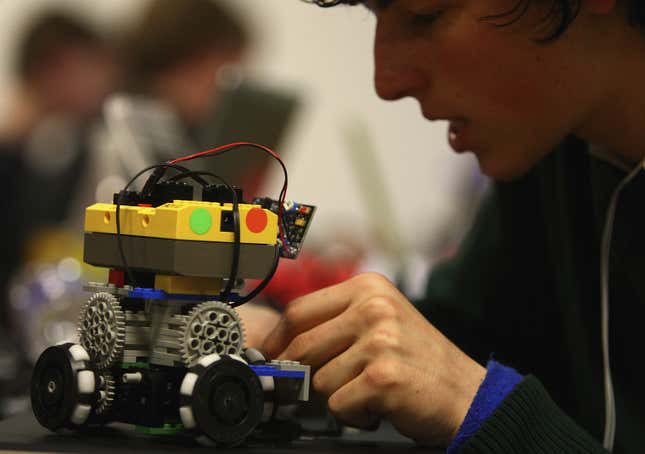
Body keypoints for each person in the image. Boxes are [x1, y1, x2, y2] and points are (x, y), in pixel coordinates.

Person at [259, 0, 645, 452]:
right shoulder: (550, 145)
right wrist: (275, 344)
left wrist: (480, 408)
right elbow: (464, 335)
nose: (386, 82)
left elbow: (461, 381)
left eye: (425, 16)